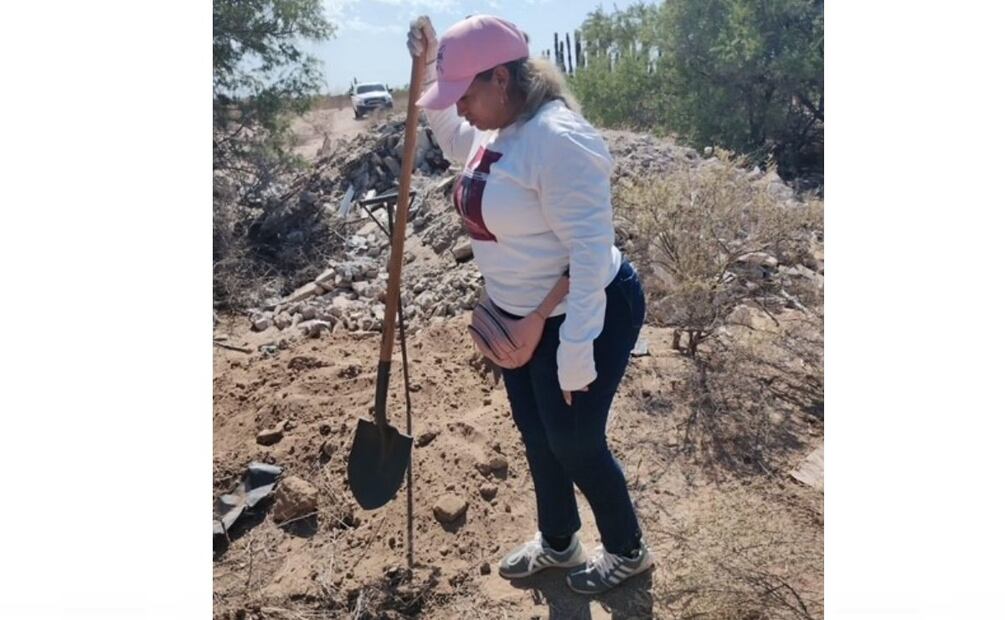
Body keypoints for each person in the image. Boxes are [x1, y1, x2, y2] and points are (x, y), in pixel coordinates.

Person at [406, 14, 652, 595]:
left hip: (586, 312)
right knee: (538, 435)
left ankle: (627, 550)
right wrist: (432, 60)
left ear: (500, 79)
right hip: (523, 318)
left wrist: (575, 355)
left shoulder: (558, 140)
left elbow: (589, 258)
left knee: (575, 441)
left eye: (465, 93)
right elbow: (451, 135)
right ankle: (560, 541)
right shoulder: (497, 132)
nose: (460, 107)